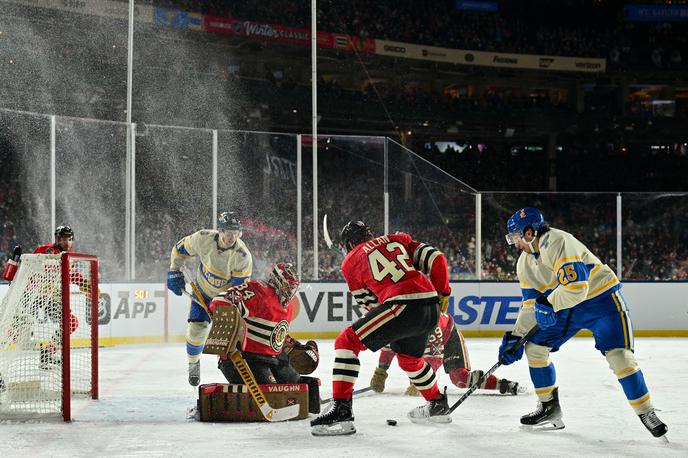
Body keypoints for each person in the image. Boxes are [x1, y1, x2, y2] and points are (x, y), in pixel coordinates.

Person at [498, 207, 667, 438]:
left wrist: (547, 302)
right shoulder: (524, 264)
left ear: (529, 233)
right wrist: (516, 336)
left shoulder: (558, 242)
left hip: (602, 299)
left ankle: (646, 412)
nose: (514, 243)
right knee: (534, 348)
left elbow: (577, 289)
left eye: (515, 237)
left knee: (619, 356)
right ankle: (549, 408)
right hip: (566, 306)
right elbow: (531, 305)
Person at [311, 221, 452, 436]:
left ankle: (342, 411)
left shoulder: (350, 261)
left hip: (402, 306)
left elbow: (372, 306)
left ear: (349, 243)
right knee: (409, 359)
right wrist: (443, 292)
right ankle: (437, 404)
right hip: (430, 306)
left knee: (346, 341)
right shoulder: (397, 239)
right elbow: (436, 258)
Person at [209, 262, 321, 411]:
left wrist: (294, 345)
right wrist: (229, 330)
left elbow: (273, 334)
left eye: (293, 287)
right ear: (276, 281)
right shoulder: (257, 290)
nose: (290, 291)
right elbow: (221, 300)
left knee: (298, 384)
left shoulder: (288, 307)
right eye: (288, 286)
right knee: (272, 392)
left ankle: (309, 404)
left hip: (272, 358)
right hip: (245, 358)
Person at [167, 211, 253, 386]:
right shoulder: (202, 238)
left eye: (236, 232)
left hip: (226, 302)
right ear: (220, 231)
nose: (232, 237)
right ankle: (193, 363)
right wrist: (174, 271)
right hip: (202, 294)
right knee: (196, 330)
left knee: (235, 340)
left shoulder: (243, 257)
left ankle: (241, 373)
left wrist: (223, 306)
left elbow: (239, 291)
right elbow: (179, 249)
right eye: (229, 232)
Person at [371, 311, 522, 396]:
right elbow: (388, 347)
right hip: (422, 334)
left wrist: (419, 384)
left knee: (460, 379)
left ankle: (504, 385)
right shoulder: (395, 321)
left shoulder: (429, 324)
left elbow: (434, 359)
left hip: (448, 335)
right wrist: (380, 372)